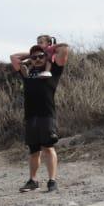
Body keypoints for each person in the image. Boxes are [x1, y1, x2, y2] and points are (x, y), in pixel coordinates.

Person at [10, 43, 71, 192]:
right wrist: (30, 56)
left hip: (46, 115)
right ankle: (33, 180)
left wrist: (48, 51)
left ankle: (52, 180)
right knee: (33, 151)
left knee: (48, 148)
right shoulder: (27, 72)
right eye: (34, 57)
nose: (37, 59)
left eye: (40, 57)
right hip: (30, 116)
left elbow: (64, 49)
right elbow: (14, 58)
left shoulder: (53, 70)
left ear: (46, 57)